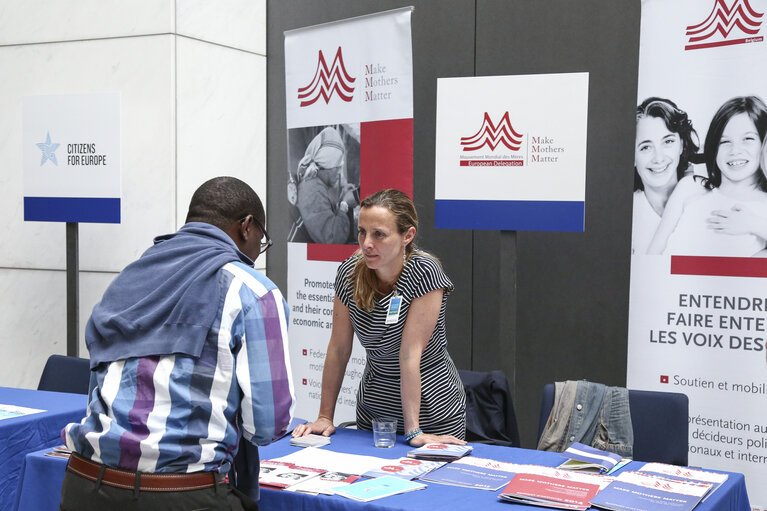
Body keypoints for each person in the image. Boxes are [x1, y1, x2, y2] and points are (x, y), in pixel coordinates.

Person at [59, 177, 295, 511]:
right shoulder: (254, 292)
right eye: (262, 239)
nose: (258, 251)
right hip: (181, 495)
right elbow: (268, 426)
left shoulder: (132, 276)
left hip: (86, 486)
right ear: (247, 227)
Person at [292, 189, 467, 446]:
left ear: (407, 236)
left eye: (379, 235)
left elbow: (409, 354)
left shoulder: (424, 272)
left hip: (430, 412)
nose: (366, 243)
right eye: (362, 232)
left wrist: (414, 431)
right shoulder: (349, 273)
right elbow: (339, 348)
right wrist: (324, 417)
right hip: (374, 413)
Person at [658, 96, 767, 256]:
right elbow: (652, 253)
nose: (735, 150)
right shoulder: (690, 188)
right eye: (724, 142)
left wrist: (755, 225)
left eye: (748, 139)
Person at [632, 97, 699, 254]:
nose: (659, 158)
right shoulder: (623, 213)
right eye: (645, 147)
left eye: (668, 142)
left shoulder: (704, 194)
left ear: (681, 145)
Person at [288, 126, 358, 244]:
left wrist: (343, 194)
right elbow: (333, 238)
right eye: (338, 167)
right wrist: (344, 205)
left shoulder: (317, 182)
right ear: (326, 166)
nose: (340, 171)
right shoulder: (312, 191)